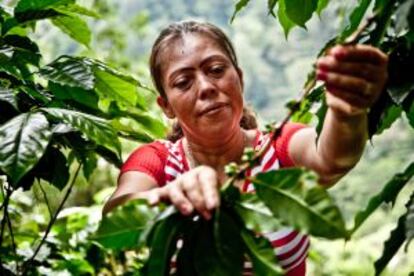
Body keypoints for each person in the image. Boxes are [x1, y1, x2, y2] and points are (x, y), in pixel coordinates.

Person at [103, 21, 388, 275]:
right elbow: (117, 213)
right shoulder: (158, 161)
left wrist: (347, 113)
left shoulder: (278, 147)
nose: (205, 87)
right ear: (166, 106)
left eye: (216, 70)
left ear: (238, 77)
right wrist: (167, 197)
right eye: (183, 82)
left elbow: (332, 159)